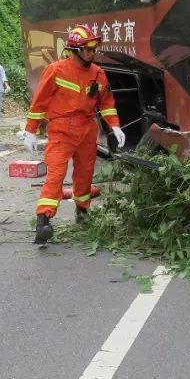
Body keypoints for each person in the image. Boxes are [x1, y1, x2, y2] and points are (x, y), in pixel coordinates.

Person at [23, 26, 125, 245]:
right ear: (75, 49)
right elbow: (39, 102)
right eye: (88, 49)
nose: (92, 53)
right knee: (56, 175)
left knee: (85, 175)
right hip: (61, 130)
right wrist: (30, 130)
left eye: (94, 48)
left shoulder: (97, 73)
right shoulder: (56, 70)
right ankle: (43, 221)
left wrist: (115, 126)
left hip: (87, 130)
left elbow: (106, 103)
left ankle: (82, 213)